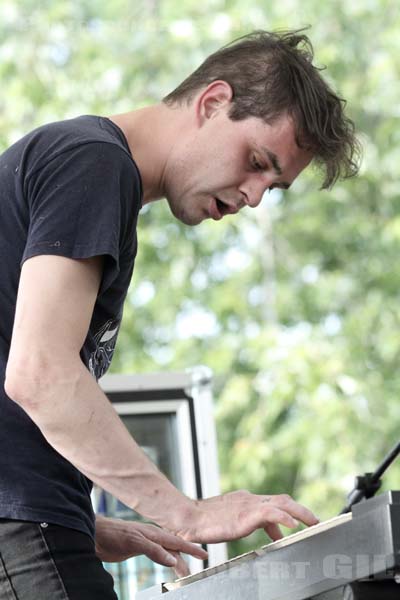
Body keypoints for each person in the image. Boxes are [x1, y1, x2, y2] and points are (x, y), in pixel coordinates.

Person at [0, 29, 359, 599]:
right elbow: (38, 374)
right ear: (213, 102)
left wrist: (85, 523)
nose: (255, 197)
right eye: (256, 162)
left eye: (275, 184)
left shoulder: (78, 163)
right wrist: (185, 513)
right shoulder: (94, 164)